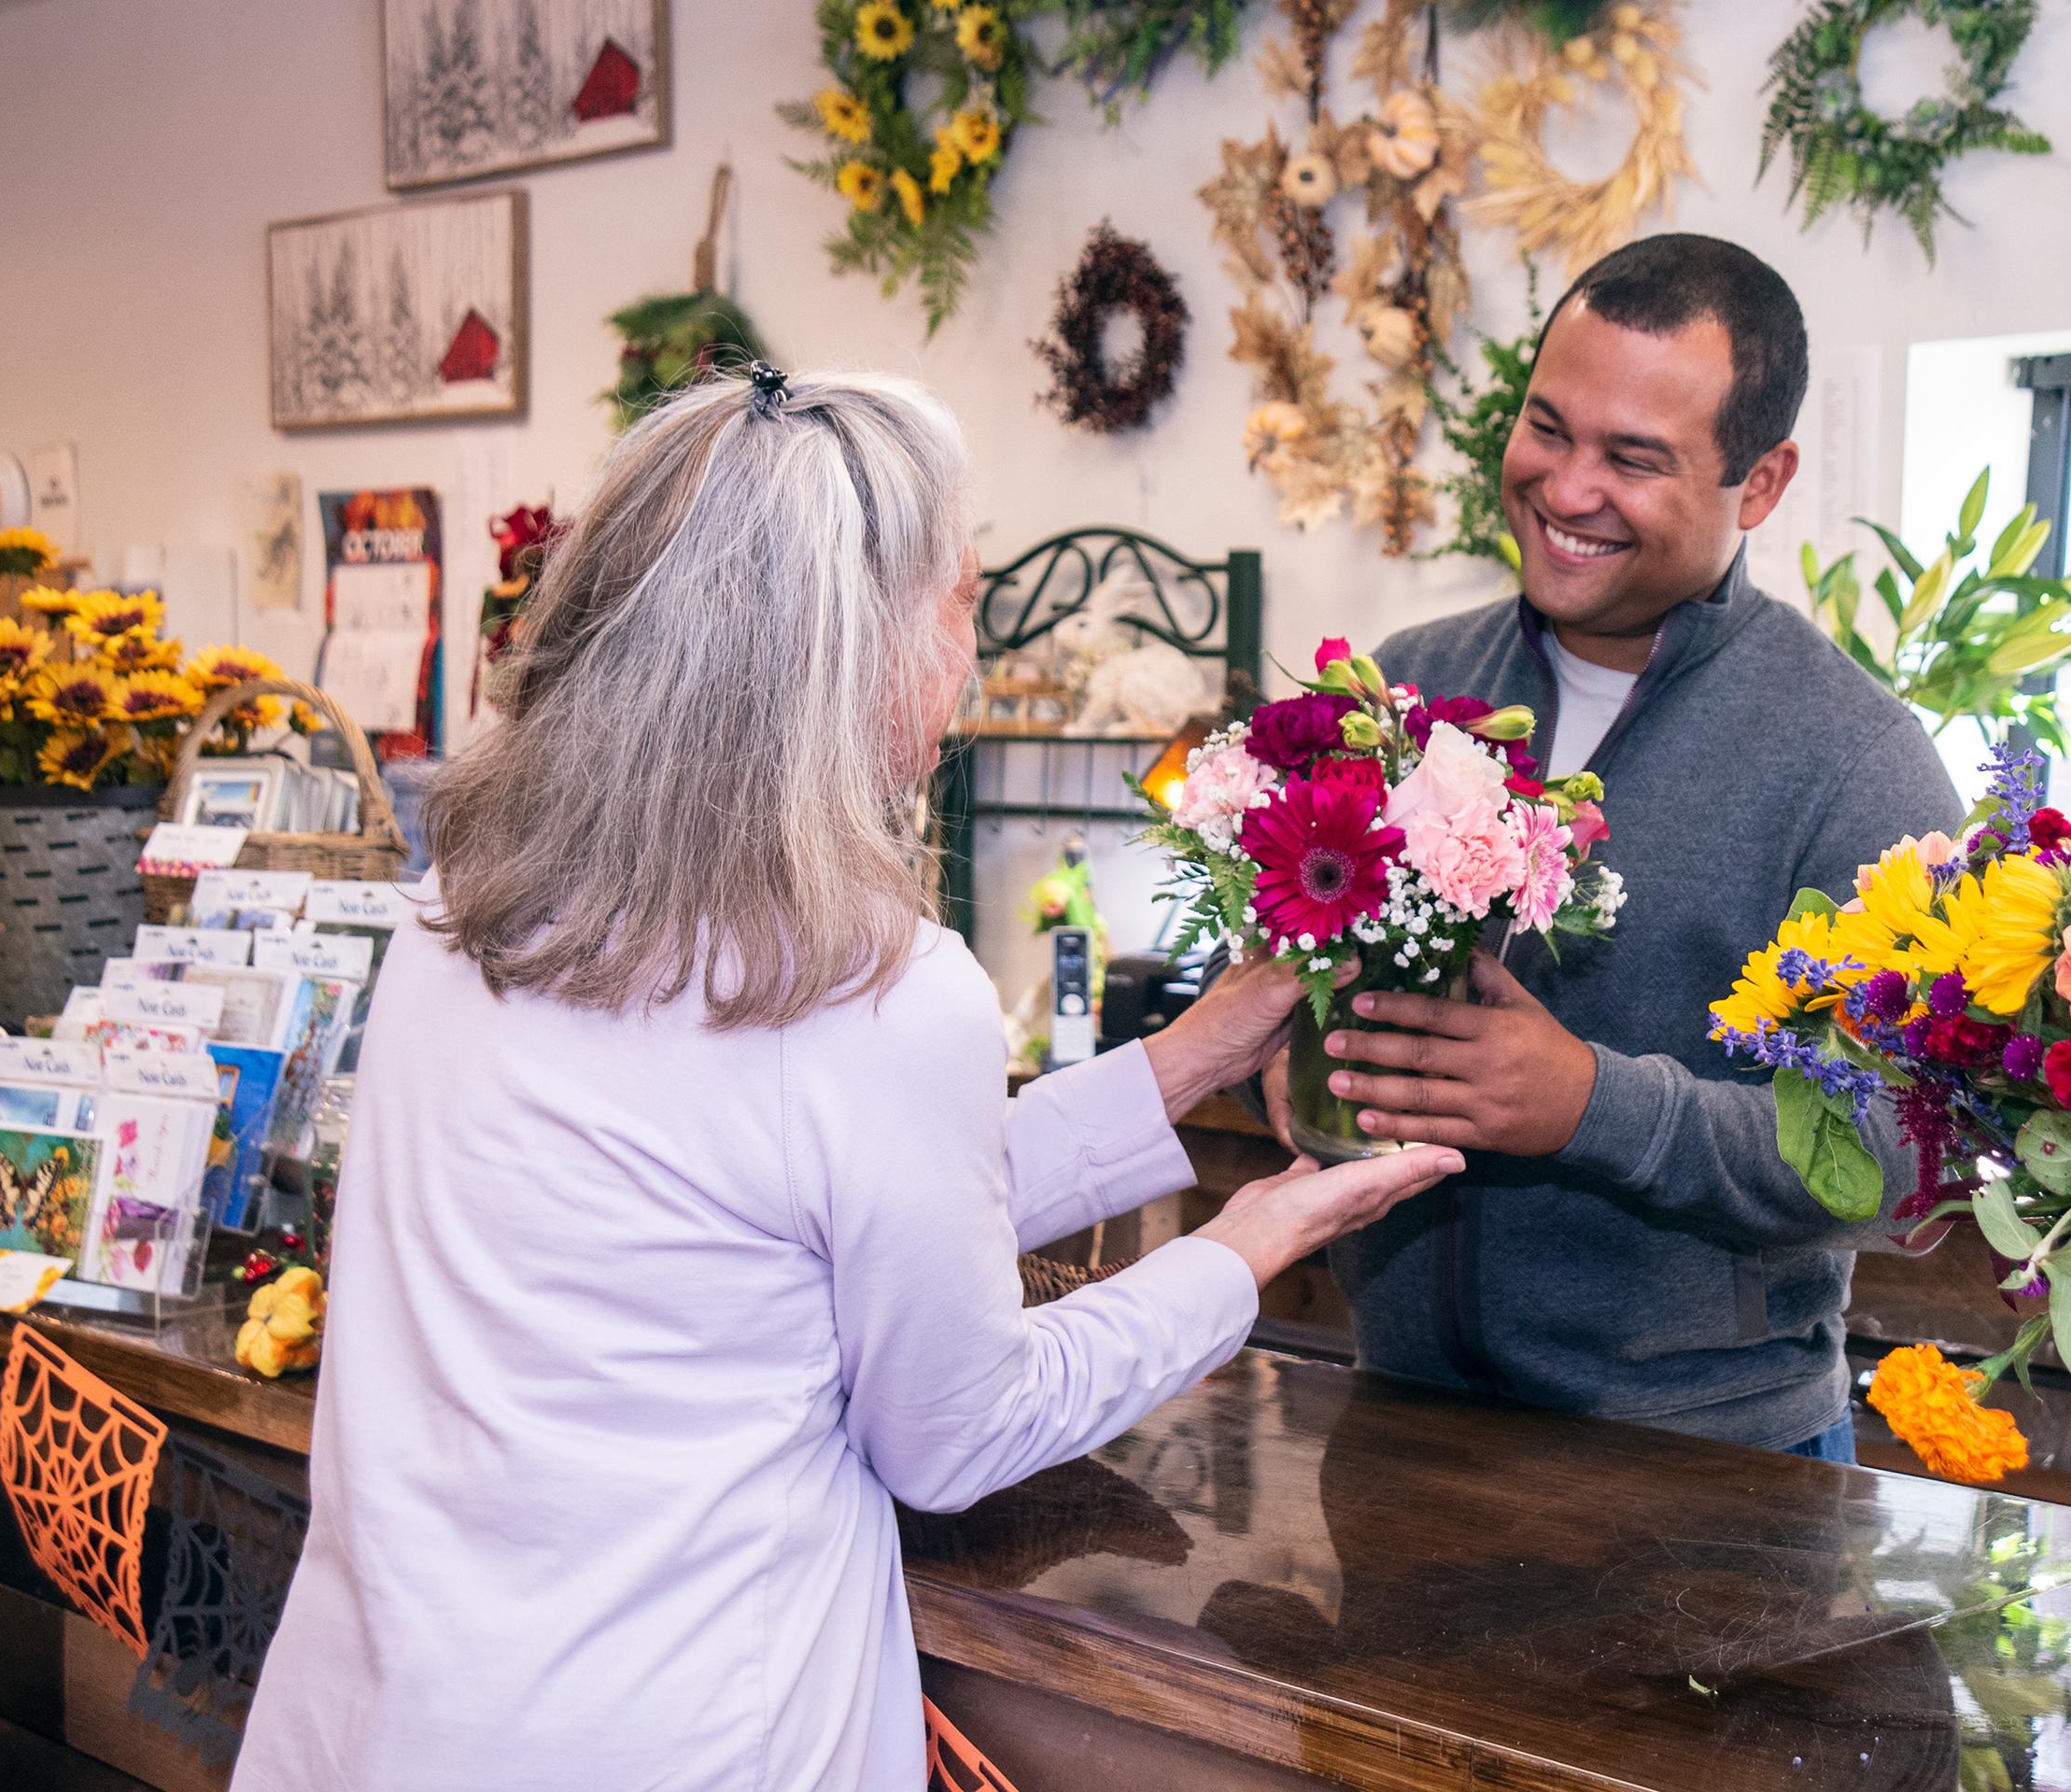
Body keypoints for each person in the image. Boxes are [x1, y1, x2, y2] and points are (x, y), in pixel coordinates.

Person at [234, 368, 1458, 1792]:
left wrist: (1178, 1067)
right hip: (674, 1736)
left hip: (385, 1718)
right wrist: (1241, 1256)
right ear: (849, 649)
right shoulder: (875, 984)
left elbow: (785, 1213)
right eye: (963, 603)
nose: (973, 657)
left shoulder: (464, 914)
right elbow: (956, 1430)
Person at [1262, 234, 1962, 1460]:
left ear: (1762, 481)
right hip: (1400, 1438)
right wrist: (1306, 1059)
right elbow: (1315, 962)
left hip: (1712, 1478)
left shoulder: (1855, 760)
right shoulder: (1410, 687)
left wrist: (1594, 1106)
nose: (1567, 487)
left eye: (1634, 458)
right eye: (1548, 428)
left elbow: (1901, 1152)